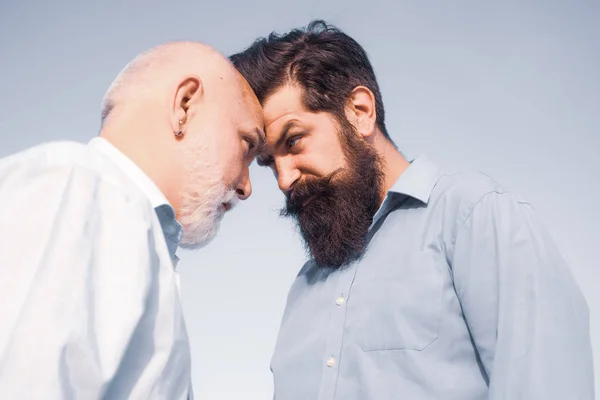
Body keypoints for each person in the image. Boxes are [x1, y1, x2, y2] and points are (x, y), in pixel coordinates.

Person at [230, 20, 594, 400]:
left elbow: (549, 385)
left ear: (360, 110)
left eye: (294, 141)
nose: (284, 179)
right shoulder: (304, 289)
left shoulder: (470, 217)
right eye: (269, 163)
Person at [0, 41, 264, 399]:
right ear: (184, 105)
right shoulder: (81, 191)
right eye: (247, 145)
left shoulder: (122, 223)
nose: (247, 187)